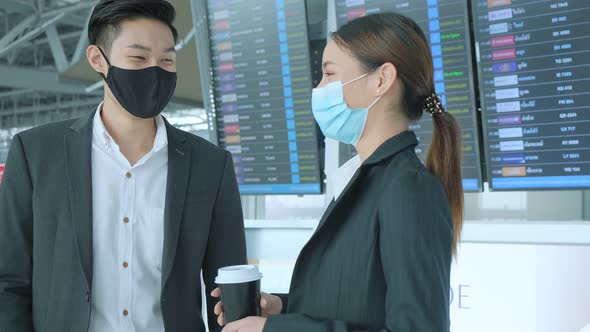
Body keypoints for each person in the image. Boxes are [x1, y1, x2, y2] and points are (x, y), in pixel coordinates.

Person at [0, 1, 247, 331]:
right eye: (138, 58)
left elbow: (228, 288)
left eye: (167, 60)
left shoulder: (210, 165)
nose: (155, 70)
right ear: (97, 59)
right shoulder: (36, 154)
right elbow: (9, 281)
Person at [212, 12, 464, 332]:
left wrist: (276, 331)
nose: (319, 89)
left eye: (329, 74)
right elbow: (359, 302)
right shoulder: (362, 180)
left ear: (381, 80)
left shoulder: (408, 187)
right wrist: (282, 309)